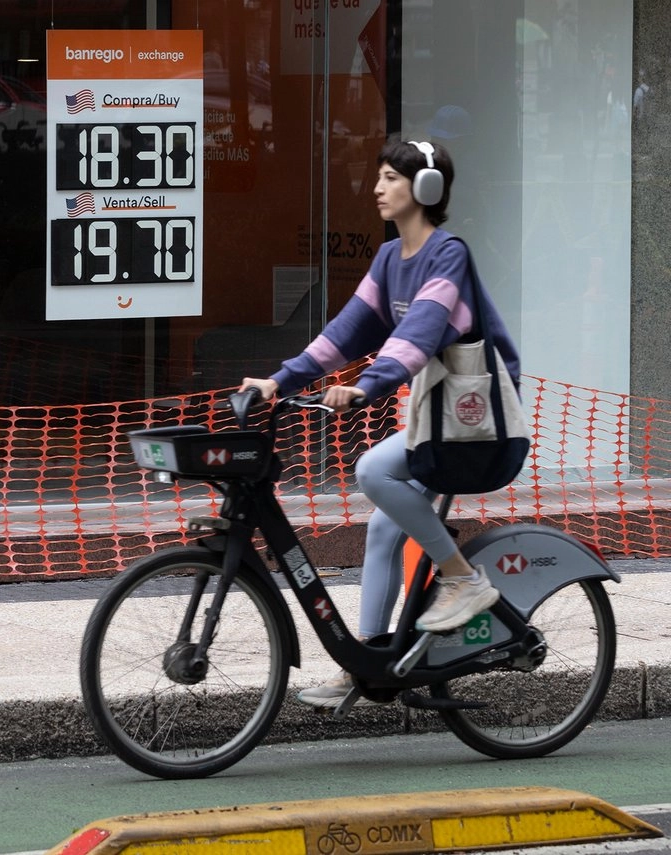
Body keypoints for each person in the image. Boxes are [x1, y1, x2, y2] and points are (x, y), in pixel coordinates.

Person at [240, 138, 522, 709]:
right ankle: (365, 661)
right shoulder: (391, 259)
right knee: (380, 529)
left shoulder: (449, 256)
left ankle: (462, 578)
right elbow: (346, 332)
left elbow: (419, 332)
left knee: (374, 470)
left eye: (391, 177)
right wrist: (279, 381)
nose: (377, 187)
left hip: (473, 419)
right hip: (434, 414)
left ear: (425, 189)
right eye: (380, 176)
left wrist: (367, 386)